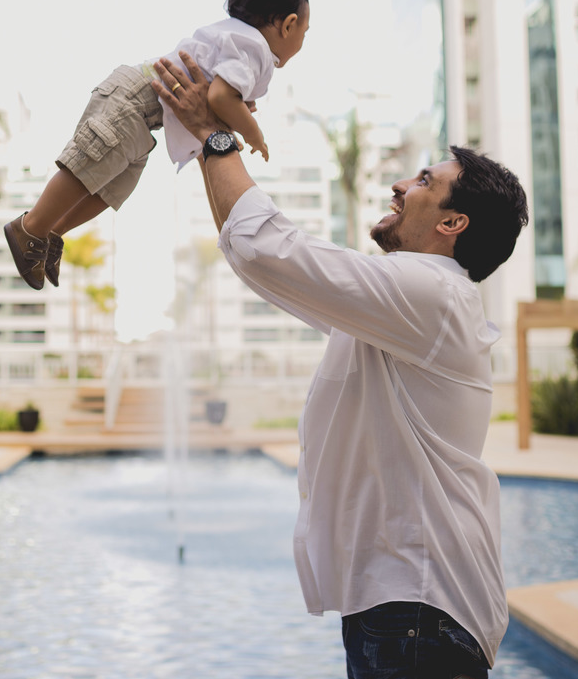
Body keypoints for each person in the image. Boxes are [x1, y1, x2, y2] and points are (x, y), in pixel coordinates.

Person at [150, 53, 529, 679]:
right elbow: (256, 255)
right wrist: (203, 141)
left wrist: (215, 133)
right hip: (406, 610)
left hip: (420, 611)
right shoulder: (409, 307)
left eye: (423, 182)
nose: (400, 187)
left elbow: (271, 250)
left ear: (452, 222)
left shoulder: (431, 294)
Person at [3, 0, 310, 290]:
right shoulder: (254, 47)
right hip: (134, 100)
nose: (303, 39)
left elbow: (219, 96)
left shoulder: (237, 39)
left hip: (143, 116)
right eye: (305, 32)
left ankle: (51, 233)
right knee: (88, 168)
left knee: (109, 188)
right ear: (289, 25)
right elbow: (221, 97)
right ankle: (31, 227)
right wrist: (253, 133)